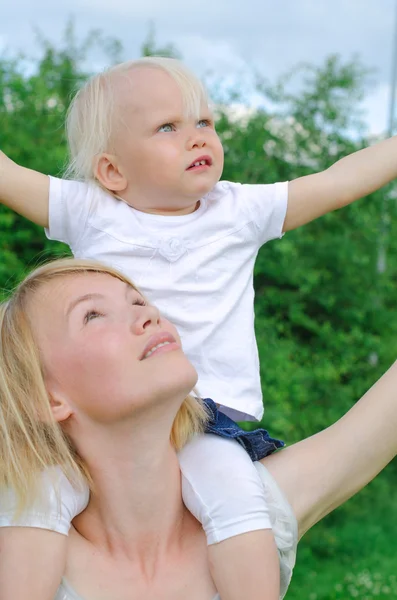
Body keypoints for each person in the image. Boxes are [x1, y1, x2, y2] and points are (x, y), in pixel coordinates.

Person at [1, 56, 397, 599]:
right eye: (168, 127)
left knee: (236, 499)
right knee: (35, 497)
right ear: (112, 171)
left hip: (211, 420)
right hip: (87, 447)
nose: (196, 138)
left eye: (204, 122)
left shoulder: (239, 209)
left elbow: (338, 182)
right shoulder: (89, 210)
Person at [0, 258, 397, 600]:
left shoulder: (254, 510)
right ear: (47, 398)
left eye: (137, 300)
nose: (148, 314)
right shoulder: (25, 564)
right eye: (92, 315)